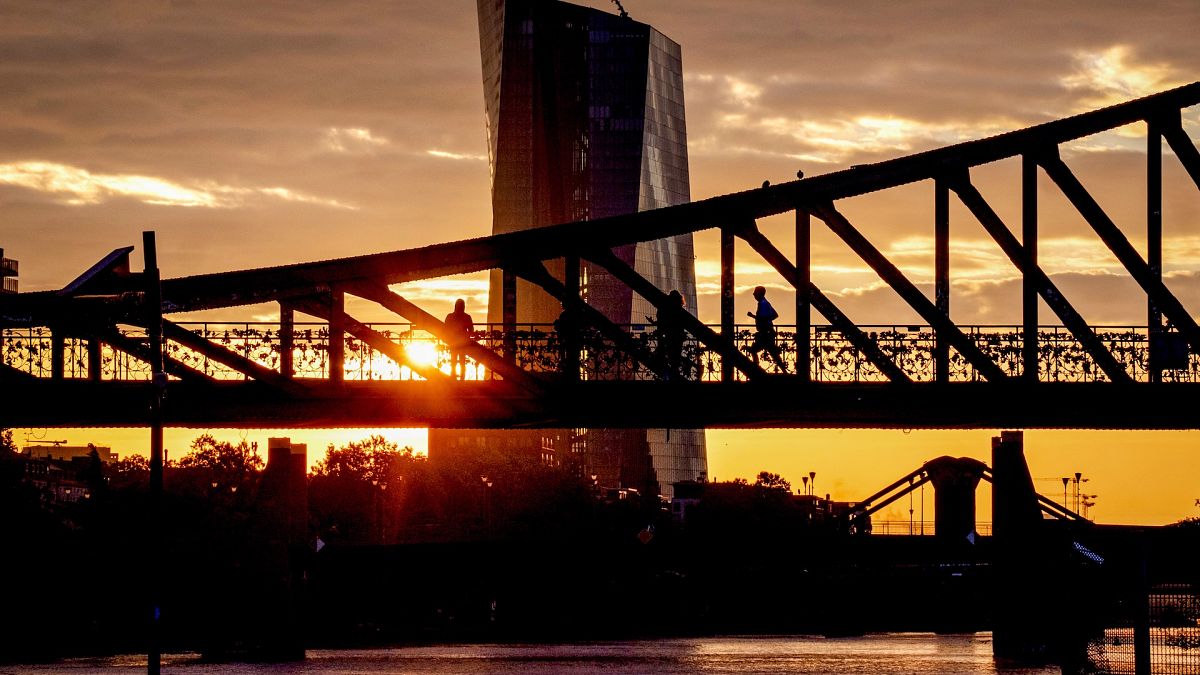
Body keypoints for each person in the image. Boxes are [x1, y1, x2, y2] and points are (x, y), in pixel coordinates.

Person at [747, 285, 787, 373]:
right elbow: (774, 315)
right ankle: (784, 371)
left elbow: (763, 319)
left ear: (760, 294)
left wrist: (753, 316)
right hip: (768, 332)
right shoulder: (766, 303)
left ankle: (756, 371)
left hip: (765, 333)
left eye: (755, 292)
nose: (753, 294)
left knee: (754, 350)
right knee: (773, 354)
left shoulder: (763, 304)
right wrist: (767, 320)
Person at [651, 290, 687, 380]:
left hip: (669, 335)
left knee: (668, 355)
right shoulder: (679, 309)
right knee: (676, 356)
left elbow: (661, 320)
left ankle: (669, 374)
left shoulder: (666, 308)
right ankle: (674, 373)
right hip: (678, 336)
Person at [443, 298, 474, 379]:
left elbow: (445, 329)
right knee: (462, 362)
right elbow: (471, 330)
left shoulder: (450, 316)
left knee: (453, 361)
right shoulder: (467, 317)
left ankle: (453, 378)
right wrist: (467, 337)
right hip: (463, 342)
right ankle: (462, 379)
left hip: (453, 342)